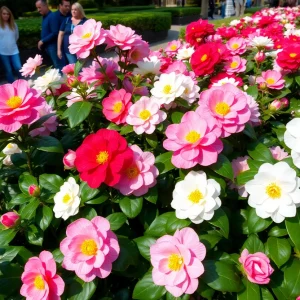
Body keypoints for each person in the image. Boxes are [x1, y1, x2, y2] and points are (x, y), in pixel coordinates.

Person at [36, 0, 70, 70]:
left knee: (60, 67)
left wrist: (43, 40)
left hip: (53, 46)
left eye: (39, 7)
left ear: (45, 6)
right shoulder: (45, 17)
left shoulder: (52, 16)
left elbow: (55, 33)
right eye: (37, 8)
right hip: (49, 47)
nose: (38, 10)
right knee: (57, 66)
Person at [0, 6, 22, 83]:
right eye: (4, 14)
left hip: (14, 50)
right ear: (1, 15)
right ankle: (12, 86)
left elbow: (16, 36)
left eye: (8, 14)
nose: (6, 15)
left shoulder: (13, 24)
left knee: (18, 67)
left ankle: (21, 83)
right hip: (3, 52)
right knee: (8, 70)